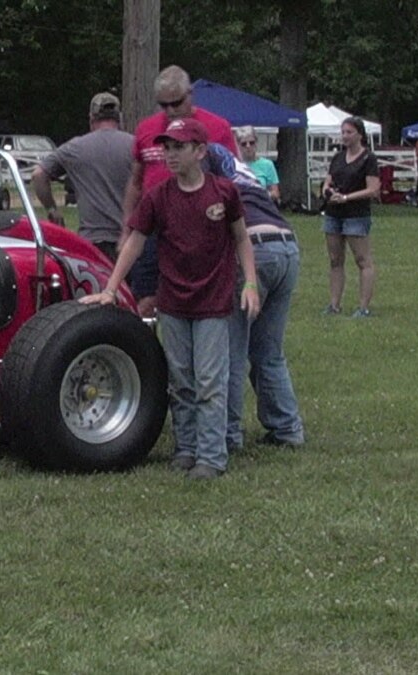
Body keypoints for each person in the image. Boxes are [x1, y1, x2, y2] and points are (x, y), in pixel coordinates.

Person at [82, 118, 259, 480]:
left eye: (179, 147)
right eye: (167, 147)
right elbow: (134, 240)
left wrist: (250, 283)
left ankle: (212, 456)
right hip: (173, 302)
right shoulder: (159, 197)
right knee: (181, 381)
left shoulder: (224, 193)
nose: (170, 154)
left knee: (210, 380)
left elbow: (241, 238)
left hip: (213, 301)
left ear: (200, 151)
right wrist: (111, 288)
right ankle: (186, 448)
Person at [202, 143, 305, 449]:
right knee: (268, 350)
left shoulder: (210, 172)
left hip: (254, 250)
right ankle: (287, 428)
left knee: (232, 349)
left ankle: (229, 434)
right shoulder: (244, 170)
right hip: (287, 246)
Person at [122, 65, 239, 316]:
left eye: (177, 103)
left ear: (190, 94)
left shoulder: (217, 128)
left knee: (196, 300)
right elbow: (136, 182)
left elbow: (232, 180)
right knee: (145, 301)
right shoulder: (146, 129)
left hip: (200, 227)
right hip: (154, 228)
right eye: (163, 105)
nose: (171, 111)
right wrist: (126, 230)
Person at [30, 92, 132, 262]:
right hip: (128, 241)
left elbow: (38, 174)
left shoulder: (75, 148)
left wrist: (52, 210)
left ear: (91, 119)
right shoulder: (135, 145)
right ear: (119, 118)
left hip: (91, 242)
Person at [320, 116, 379, 318]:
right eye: (343, 132)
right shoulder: (338, 157)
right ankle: (334, 305)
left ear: (359, 134)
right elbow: (326, 183)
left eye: (349, 132)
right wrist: (329, 193)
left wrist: (347, 198)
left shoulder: (368, 159)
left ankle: (363, 307)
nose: (344, 136)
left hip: (356, 215)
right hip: (334, 214)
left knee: (363, 260)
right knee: (335, 260)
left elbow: (373, 189)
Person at [236, 127, 280, 204]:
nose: (248, 146)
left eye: (251, 142)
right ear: (238, 145)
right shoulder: (234, 165)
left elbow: (276, 193)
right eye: (244, 144)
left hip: (262, 206)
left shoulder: (267, 165)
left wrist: (262, 194)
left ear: (256, 143)